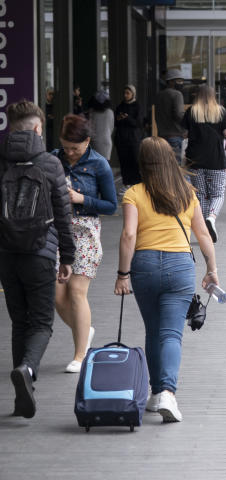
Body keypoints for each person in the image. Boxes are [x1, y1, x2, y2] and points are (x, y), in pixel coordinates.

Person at [115, 137, 218, 424]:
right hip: (180, 266)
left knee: (152, 331)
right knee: (171, 333)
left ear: (142, 163)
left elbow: (128, 236)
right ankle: (167, 394)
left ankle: (156, 391)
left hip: (144, 265)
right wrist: (212, 268)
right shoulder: (187, 192)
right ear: (171, 160)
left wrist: (122, 275)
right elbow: (204, 234)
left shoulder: (133, 193)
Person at [0, 101, 75, 419]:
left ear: (12, 128)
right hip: (41, 253)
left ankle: (21, 399)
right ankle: (27, 370)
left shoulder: (1, 162)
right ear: (38, 128)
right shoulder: (50, 164)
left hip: (6, 255)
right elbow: (63, 213)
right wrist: (67, 256)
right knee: (42, 323)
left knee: (20, 322)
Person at [52, 115, 117, 374]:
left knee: (77, 291)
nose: (69, 153)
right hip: (55, 229)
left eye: (75, 148)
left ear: (87, 142)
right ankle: (85, 329)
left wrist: (81, 198)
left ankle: (80, 355)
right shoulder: (53, 159)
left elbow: (111, 206)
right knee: (56, 294)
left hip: (85, 231)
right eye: (65, 146)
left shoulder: (99, 164)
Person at [182, 84, 226, 242]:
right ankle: (211, 217)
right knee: (217, 193)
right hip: (216, 158)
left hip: (195, 159)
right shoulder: (220, 111)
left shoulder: (191, 111)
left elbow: (184, 133)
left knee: (200, 194)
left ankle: (204, 228)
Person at [155, 69, 187, 163]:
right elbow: (179, 115)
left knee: (165, 166)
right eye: (179, 80)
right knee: (176, 168)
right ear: (171, 81)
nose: (181, 83)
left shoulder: (159, 95)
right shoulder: (177, 94)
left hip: (161, 136)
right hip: (175, 136)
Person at [115, 84, 143, 188]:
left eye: (128, 93)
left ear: (133, 94)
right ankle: (126, 183)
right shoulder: (120, 106)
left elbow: (139, 123)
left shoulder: (137, 106)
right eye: (124, 93)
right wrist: (119, 118)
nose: (125, 95)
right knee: (124, 161)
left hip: (133, 139)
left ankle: (136, 184)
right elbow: (116, 123)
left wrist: (127, 118)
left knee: (135, 161)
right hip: (121, 139)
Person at [87, 90, 114, 162]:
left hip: (94, 142)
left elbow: (89, 129)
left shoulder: (91, 112)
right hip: (107, 141)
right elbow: (111, 128)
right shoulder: (110, 112)